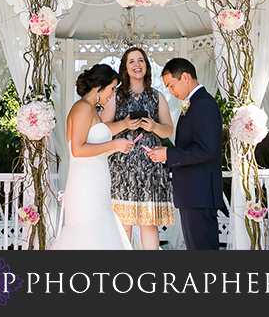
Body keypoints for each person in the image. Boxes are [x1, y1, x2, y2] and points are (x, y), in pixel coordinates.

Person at [50, 64, 135, 250]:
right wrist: (114, 144)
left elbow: (97, 143)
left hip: (98, 186)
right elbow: (78, 150)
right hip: (85, 188)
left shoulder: (92, 110)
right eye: (112, 89)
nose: (112, 94)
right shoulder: (82, 108)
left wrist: (121, 139)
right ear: (98, 88)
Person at [102, 47, 175, 250]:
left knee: (148, 221)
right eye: (132, 61)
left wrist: (154, 127)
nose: (137, 65)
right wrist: (124, 125)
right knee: (123, 222)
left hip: (150, 165)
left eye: (141, 60)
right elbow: (103, 128)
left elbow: (168, 130)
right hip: (121, 166)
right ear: (125, 68)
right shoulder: (115, 96)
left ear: (147, 66)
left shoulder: (157, 96)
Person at [148, 57, 223, 250]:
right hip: (194, 194)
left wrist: (169, 155)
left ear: (185, 77)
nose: (171, 92)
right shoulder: (195, 103)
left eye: (172, 85)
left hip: (200, 193)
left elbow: (206, 150)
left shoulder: (203, 104)